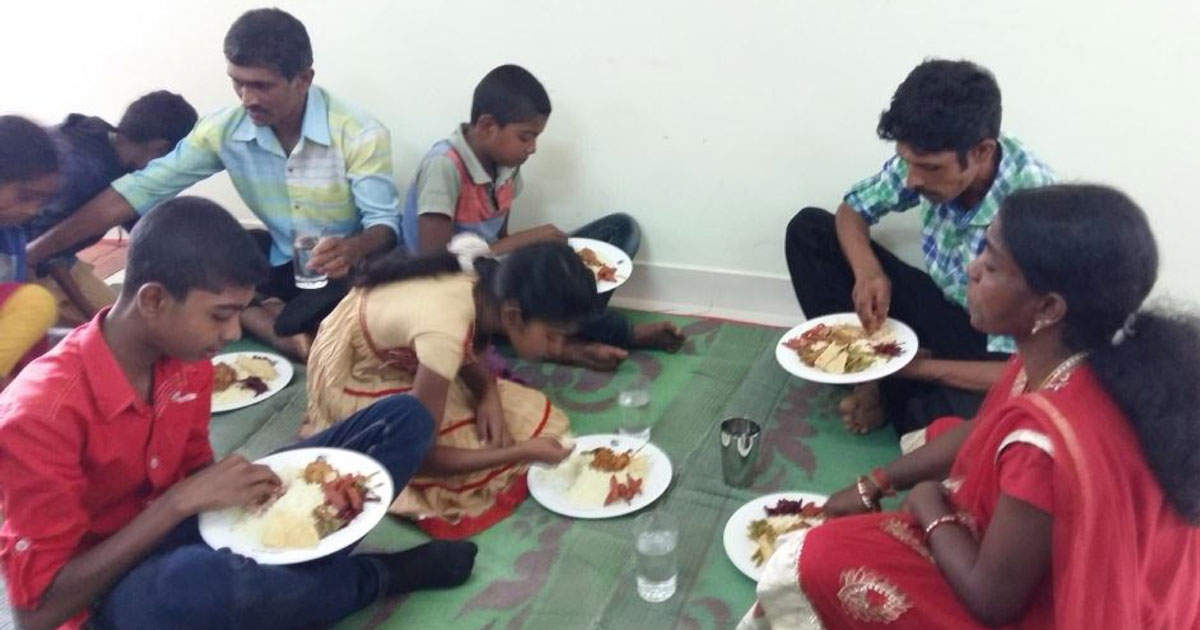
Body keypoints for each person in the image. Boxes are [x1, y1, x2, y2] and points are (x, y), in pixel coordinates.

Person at [0, 196, 477, 630]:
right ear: (153, 300)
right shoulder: (40, 414)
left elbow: (197, 481)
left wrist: (263, 502)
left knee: (401, 419)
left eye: (239, 314)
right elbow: (36, 614)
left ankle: (295, 569)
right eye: (220, 314)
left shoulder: (188, 362)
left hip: (189, 532)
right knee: (194, 585)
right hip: (109, 599)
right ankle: (370, 578)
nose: (233, 334)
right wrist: (179, 503)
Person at [740, 185, 1200, 630]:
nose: (972, 271)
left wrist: (927, 502)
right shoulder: (1071, 358)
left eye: (993, 266)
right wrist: (876, 481)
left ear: (1049, 307)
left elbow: (992, 600)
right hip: (1040, 560)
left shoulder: (1046, 440)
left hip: (1035, 606)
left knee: (815, 558)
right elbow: (985, 429)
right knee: (940, 434)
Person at [24, 8, 402, 361]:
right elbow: (136, 191)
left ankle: (275, 318)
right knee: (196, 258)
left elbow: (384, 227)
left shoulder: (358, 133)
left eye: (261, 86)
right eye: (237, 83)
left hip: (342, 271)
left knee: (373, 319)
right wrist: (35, 251)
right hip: (279, 260)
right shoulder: (223, 130)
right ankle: (279, 328)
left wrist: (352, 248)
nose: (247, 99)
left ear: (303, 79)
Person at [785, 59, 1055, 436]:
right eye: (907, 162)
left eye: (929, 169)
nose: (912, 180)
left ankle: (885, 387)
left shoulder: (1033, 208)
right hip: (947, 309)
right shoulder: (922, 155)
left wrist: (915, 367)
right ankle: (876, 384)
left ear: (981, 152)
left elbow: (1032, 369)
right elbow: (851, 211)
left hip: (996, 346)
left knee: (949, 425)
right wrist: (868, 271)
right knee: (810, 231)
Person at [305, 234, 595, 538]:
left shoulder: (483, 284)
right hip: (354, 373)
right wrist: (520, 453)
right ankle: (336, 424)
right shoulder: (445, 331)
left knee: (530, 413)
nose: (557, 347)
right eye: (552, 335)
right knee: (484, 455)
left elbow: (471, 341)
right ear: (513, 315)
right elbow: (421, 455)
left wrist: (489, 393)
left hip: (403, 354)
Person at [402, 64, 685, 370]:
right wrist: (532, 239)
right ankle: (603, 336)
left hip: (492, 271)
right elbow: (435, 263)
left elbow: (499, 243)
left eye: (535, 137)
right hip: (453, 285)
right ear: (486, 126)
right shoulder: (444, 166)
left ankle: (547, 330)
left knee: (620, 230)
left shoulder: (507, 167)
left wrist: (538, 251)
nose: (533, 148)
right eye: (525, 137)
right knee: (547, 286)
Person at [26, 91, 198, 325]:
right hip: (24, 262)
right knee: (121, 331)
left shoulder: (105, 138)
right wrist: (93, 319)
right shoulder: (83, 170)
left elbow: (136, 220)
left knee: (131, 318)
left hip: (56, 256)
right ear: (160, 148)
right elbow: (41, 250)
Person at [0, 116, 60, 390]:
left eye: (42, 201)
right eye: (25, 196)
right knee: (36, 303)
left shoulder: (13, 237)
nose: (32, 210)